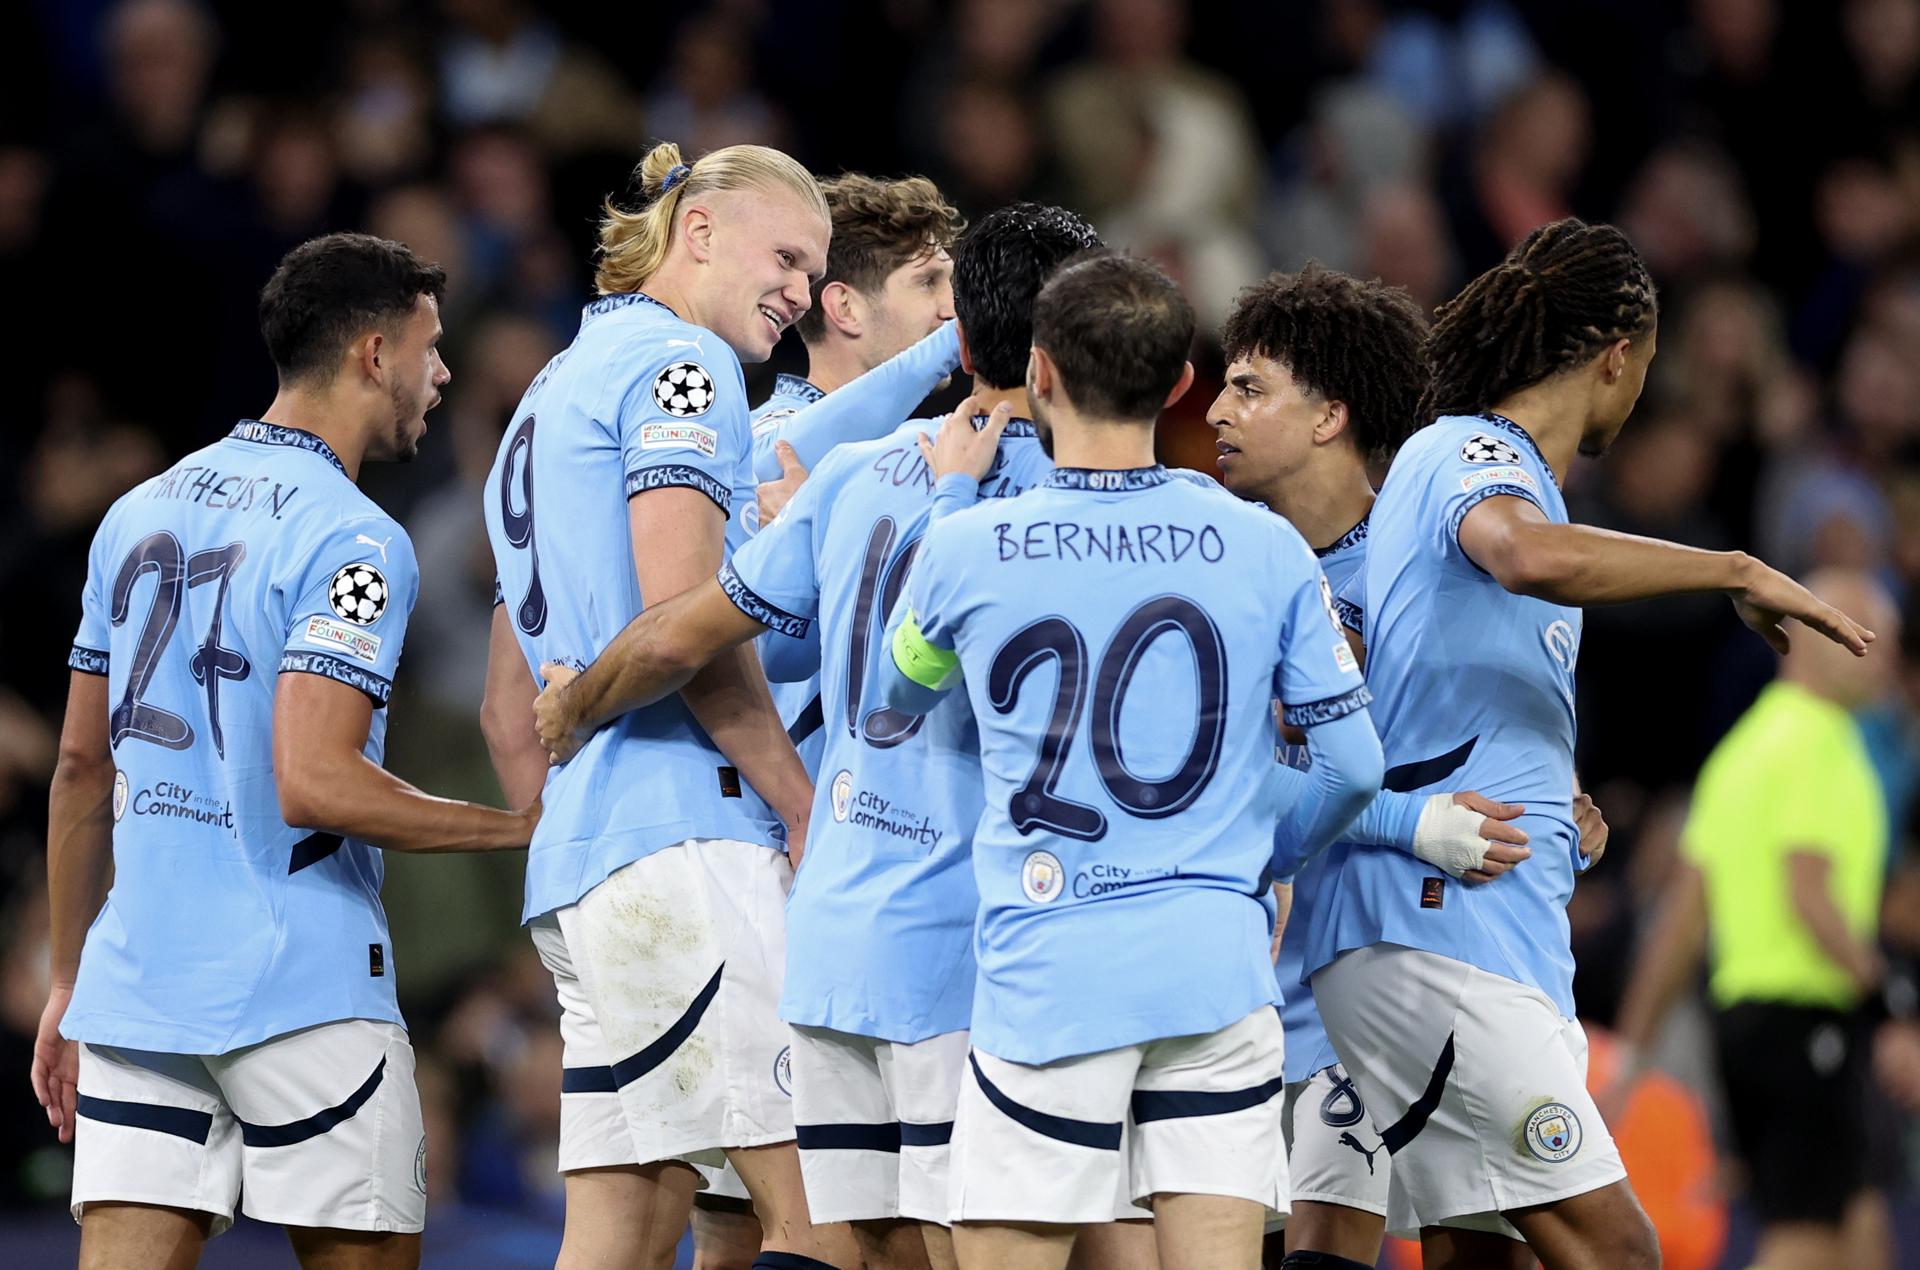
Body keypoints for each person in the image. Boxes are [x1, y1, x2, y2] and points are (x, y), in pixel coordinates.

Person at [528, 204, 1175, 1270]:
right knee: (1064, 1238)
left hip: (836, 936)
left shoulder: (855, 478)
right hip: (984, 943)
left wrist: (577, 702)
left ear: (961, 343)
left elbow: (686, 634)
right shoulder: (1082, 510)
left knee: (851, 1243)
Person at [1301, 218, 1873, 1270]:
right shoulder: (1471, 451)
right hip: (1432, 933)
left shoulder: (1511, 482)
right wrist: (1737, 567)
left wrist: (1552, 784)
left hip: (1485, 934)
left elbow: (1438, 674)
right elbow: (1519, 553)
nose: (1641, 392)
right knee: (1620, 1250)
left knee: (1489, 1255)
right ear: (1618, 354)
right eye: (1646, 369)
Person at [34, 232, 535, 1270]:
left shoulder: (135, 512)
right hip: (301, 988)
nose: (440, 373)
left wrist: (67, 977)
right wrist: (513, 824)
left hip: (140, 986)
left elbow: (82, 767)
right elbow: (317, 781)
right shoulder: (356, 538)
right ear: (372, 353)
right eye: (430, 347)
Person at [874, 251, 1382, 1270]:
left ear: (1044, 374)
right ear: (1183, 386)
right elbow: (1354, 767)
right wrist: (1262, 861)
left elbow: (897, 697)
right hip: (1214, 966)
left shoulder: (969, 547)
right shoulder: (1264, 545)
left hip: (1050, 968)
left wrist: (945, 503)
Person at [476, 140, 857, 1270]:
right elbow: (689, 624)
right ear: (699, 233)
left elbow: (510, 711)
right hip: (693, 843)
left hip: (592, 867)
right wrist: (798, 802)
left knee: (615, 1243)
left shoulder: (547, 391)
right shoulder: (683, 370)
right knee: (823, 1220)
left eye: (816, 267)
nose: (800, 293)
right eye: (786, 256)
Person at [1207, 264, 1534, 1270]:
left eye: (1249, 388)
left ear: (1328, 417)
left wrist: (1555, 803)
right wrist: (1416, 818)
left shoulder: (1431, 572)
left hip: (1370, 955)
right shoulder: (1209, 566)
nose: (1214, 409)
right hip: (1225, 962)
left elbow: (1487, 743)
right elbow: (1218, 778)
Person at [1613, 569, 1901, 1270]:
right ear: (1805, 634)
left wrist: (1632, 1054)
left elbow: (1682, 921)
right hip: (1808, 1020)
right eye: (1863, 635)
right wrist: (1889, 999)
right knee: (1806, 1239)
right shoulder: (1819, 742)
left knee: (1858, 1221)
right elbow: (1811, 896)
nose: (1882, 656)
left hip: (1744, 1029)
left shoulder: (1740, 753)